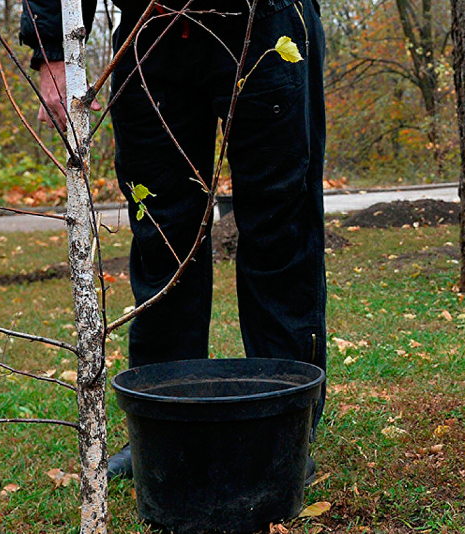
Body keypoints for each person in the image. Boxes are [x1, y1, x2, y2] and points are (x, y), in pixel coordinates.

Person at [20, 0, 327, 480]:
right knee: (160, 233)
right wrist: (51, 48)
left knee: (279, 225)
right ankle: (163, 424)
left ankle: (285, 425)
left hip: (263, 23)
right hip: (151, 31)